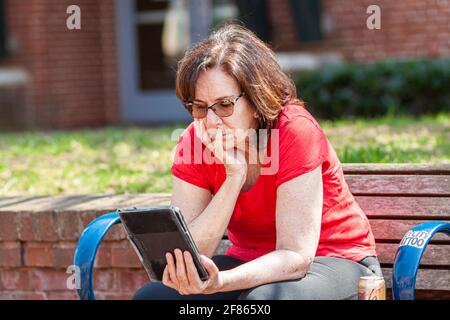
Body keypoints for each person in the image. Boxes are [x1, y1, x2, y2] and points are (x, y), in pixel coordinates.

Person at [133, 24, 382, 300]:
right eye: (200, 107)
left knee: (262, 303)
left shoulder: (293, 131)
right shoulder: (195, 139)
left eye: (225, 104)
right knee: (154, 298)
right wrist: (233, 178)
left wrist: (221, 283)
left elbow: (296, 256)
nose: (212, 121)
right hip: (249, 263)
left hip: (334, 261)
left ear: (255, 100)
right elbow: (190, 255)